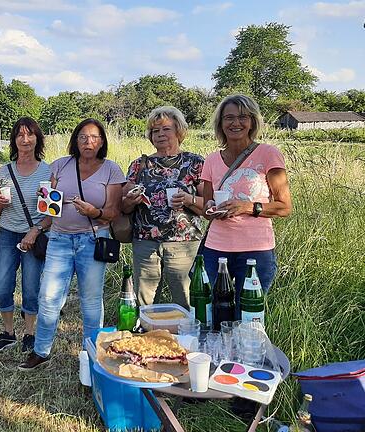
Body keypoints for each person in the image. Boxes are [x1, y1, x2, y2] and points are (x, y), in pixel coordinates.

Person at [20, 118, 126, 371]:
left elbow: (113, 212)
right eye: (83, 137)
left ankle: (92, 356)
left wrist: (94, 212)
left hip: (93, 239)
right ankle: (41, 351)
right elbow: (50, 208)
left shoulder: (111, 169)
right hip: (59, 239)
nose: (88, 142)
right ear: (75, 141)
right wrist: (44, 201)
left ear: (102, 142)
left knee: (90, 301)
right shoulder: (60, 165)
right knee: (48, 298)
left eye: (94, 138)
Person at [201, 94, 293, 309]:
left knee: (248, 313)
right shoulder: (212, 160)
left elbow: (284, 207)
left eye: (243, 117)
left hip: (256, 250)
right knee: (211, 310)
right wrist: (210, 209)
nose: (235, 123)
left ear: (252, 122)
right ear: (220, 123)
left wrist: (247, 207)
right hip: (215, 248)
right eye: (229, 118)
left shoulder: (268, 154)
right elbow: (206, 208)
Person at [121, 106, 206, 308]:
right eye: (154, 130)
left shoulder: (195, 163)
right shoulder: (139, 165)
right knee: (144, 303)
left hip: (184, 242)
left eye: (165, 129)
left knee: (186, 300)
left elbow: (209, 206)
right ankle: (145, 338)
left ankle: (188, 339)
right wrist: (131, 200)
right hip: (145, 242)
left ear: (179, 130)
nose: (159, 134)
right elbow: (123, 207)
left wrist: (188, 199)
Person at [0, 117, 51, 353]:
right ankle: (8, 332)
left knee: (31, 287)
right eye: (20, 135)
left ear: (37, 138)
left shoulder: (48, 170)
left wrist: (36, 230)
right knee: (2, 286)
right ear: (14, 140)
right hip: (7, 234)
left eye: (30, 134)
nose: (25, 139)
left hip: (33, 236)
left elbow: (52, 212)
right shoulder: (4, 171)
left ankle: (30, 334)